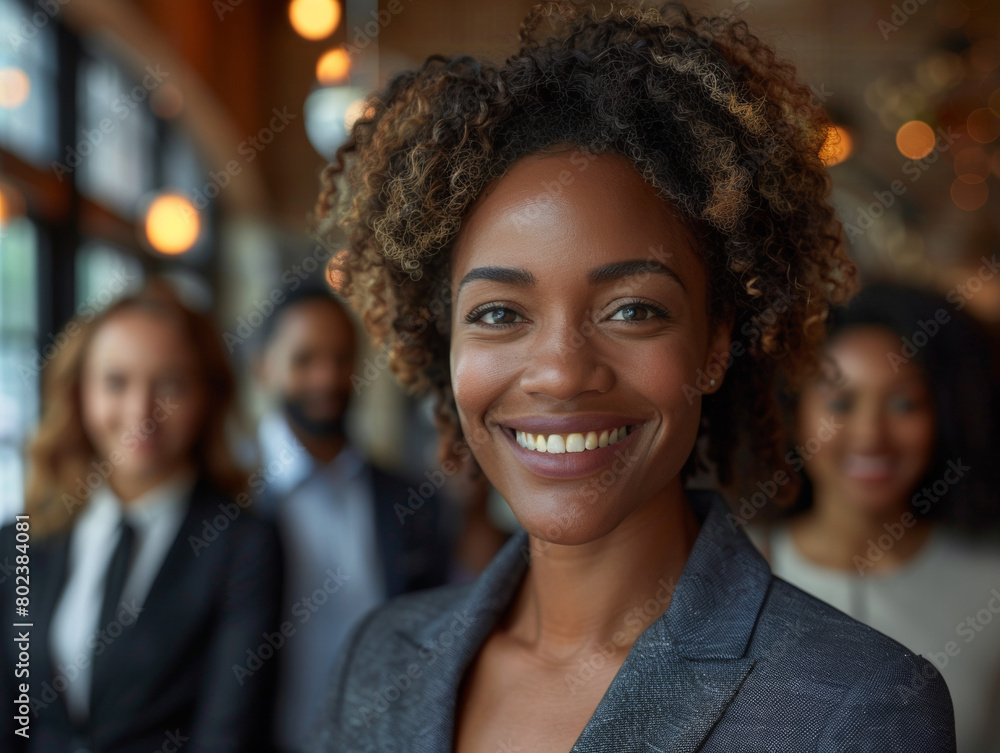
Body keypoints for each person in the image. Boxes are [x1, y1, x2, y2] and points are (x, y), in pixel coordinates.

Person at [307, 2, 956, 750]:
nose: (559, 372)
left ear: (716, 344)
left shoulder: (856, 706)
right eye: (498, 314)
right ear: (443, 340)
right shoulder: (379, 659)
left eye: (633, 309)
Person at [0, 280, 283, 753]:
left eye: (170, 384)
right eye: (116, 382)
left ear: (207, 395)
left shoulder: (243, 545)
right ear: (79, 393)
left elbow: (227, 734)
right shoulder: (22, 540)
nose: (141, 411)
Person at [747, 283, 1000, 753]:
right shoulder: (730, 570)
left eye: (903, 403)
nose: (870, 434)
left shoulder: (990, 584)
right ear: (793, 413)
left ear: (944, 416)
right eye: (840, 404)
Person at [252, 287, 452, 752]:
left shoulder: (409, 500)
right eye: (304, 360)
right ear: (264, 367)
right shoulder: (231, 502)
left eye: (341, 358)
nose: (327, 376)